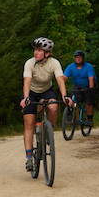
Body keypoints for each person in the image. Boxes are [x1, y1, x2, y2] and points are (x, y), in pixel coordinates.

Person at [19, 37, 71, 173]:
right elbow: (27, 82)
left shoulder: (54, 63)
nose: (35, 53)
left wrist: (65, 96)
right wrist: (26, 98)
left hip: (46, 90)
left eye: (39, 50)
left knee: (54, 107)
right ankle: (29, 156)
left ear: (47, 53)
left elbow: (60, 81)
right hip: (31, 91)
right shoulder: (29, 63)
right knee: (29, 123)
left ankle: (48, 129)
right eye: (35, 50)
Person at [63, 49, 96, 124]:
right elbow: (64, 77)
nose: (78, 59)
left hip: (87, 86)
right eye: (77, 57)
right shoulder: (71, 67)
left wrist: (91, 88)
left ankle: (90, 120)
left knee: (88, 102)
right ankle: (70, 116)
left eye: (80, 57)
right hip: (76, 85)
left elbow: (91, 78)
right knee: (71, 100)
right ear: (74, 58)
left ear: (83, 58)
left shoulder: (88, 67)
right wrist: (61, 86)